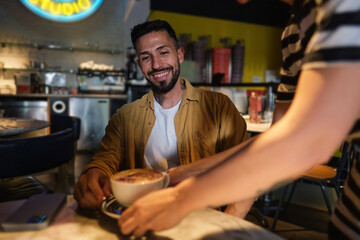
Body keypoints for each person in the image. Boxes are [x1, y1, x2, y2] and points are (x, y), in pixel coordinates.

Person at [118, 0, 360, 239]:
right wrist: (180, 174)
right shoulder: (293, 30)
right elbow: (275, 140)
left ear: (179, 55)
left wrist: (181, 199)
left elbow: (310, 141)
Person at [74, 20, 254, 218]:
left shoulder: (219, 107)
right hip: (144, 219)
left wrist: (229, 222)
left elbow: (248, 165)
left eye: (163, 52)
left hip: (201, 220)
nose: (156, 64)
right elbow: (104, 161)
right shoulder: (125, 117)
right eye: (146, 57)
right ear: (139, 65)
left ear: (180, 54)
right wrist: (93, 178)